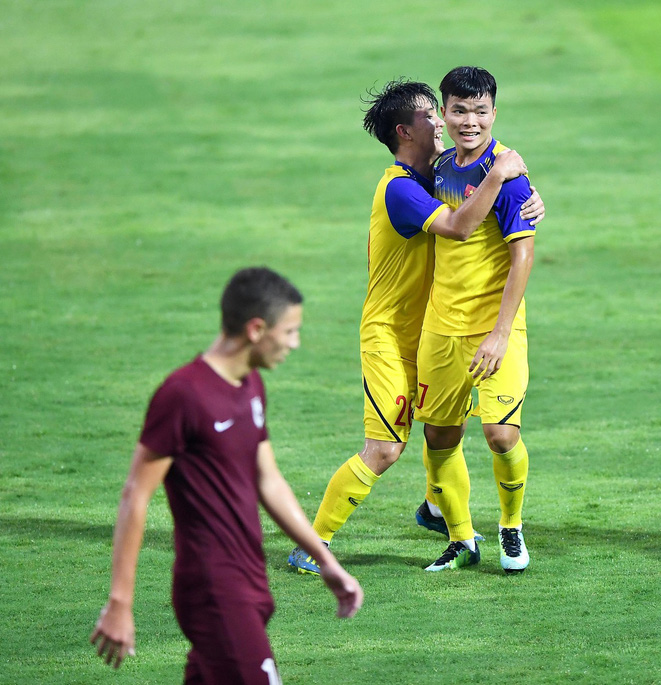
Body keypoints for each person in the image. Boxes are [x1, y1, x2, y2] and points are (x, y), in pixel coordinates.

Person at [287, 80, 541, 574]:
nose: (446, 122)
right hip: (389, 337)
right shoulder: (401, 189)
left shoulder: (439, 174)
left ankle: (438, 512)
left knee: (443, 430)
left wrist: (526, 193)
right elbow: (460, 225)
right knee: (384, 448)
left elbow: (486, 201)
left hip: (430, 331)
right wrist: (501, 175)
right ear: (406, 131)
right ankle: (311, 545)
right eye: (432, 116)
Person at [90, 267, 363, 683]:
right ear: (257, 329)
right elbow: (135, 496)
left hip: (249, 576)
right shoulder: (183, 395)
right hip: (213, 587)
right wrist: (120, 601)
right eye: (290, 331)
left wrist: (324, 559)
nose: (296, 343)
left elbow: (268, 481)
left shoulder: (251, 385)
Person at [417, 66, 536, 574]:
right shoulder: (441, 167)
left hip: (493, 330)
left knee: (499, 435)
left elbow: (523, 255)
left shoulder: (511, 176)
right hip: (441, 327)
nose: (471, 120)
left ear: (494, 112)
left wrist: (501, 332)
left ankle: (512, 525)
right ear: (445, 113)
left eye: (480, 110)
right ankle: (462, 538)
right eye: (460, 110)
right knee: (439, 436)